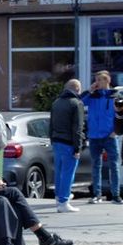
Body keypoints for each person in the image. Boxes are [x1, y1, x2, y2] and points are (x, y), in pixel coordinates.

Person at [81, 71, 121, 204]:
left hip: (110, 136)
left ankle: (116, 195)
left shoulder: (115, 96)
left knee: (114, 165)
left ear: (107, 80)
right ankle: (96, 195)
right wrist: (89, 90)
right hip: (94, 136)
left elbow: (122, 115)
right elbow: (79, 102)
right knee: (95, 165)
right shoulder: (92, 96)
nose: (96, 82)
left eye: (99, 80)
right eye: (96, 80)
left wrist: (116, 131)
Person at [50, 79, 86, 213]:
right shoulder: (76, 103)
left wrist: (52, 139)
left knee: (59, 172)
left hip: (57, 140)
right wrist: (78, 147)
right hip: (69, 142)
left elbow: (51, 123)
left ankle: (59, 198)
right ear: (77, 89)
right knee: (68, 173)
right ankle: (64, 202)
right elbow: (78, 128)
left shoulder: (56, 102)